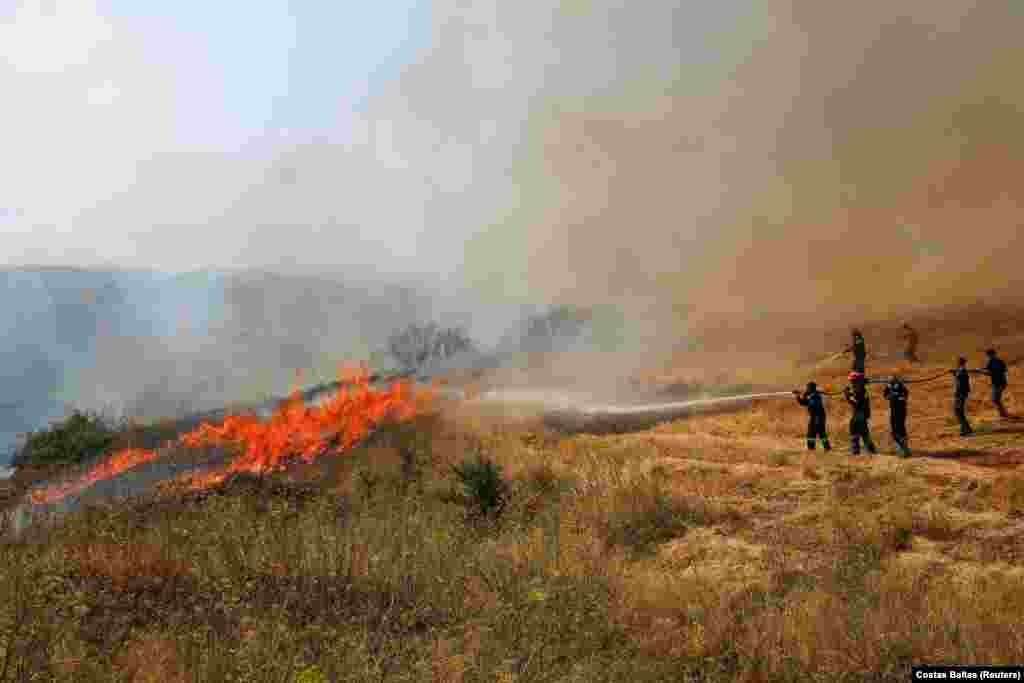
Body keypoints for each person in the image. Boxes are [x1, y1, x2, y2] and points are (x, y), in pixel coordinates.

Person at [843, 371, 877, 455]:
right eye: (851, 381)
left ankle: (868, 450)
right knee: (857, 429)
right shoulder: (859, 388)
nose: (851, 383)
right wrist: (849, 393)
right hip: (859, 412)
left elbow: (855, 401)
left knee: (860, 430)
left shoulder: (860, 389)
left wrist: (847, 395)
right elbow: (855, 396)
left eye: (853, 381)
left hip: (861, 412)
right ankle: (859, 450)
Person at [794, 381, 831, 451]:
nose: (807, 389)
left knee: (821, 432)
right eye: (807, 388)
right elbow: (803, 403)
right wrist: (798, 396)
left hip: (819, 416)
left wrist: (807, 396)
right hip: (813, 416)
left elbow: (814, 404)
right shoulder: (810, 395)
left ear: (812, 388)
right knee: (811, 433)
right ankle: (811, 449)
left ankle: (827, 448)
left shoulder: (816, 396)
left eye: (808, 388)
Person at [882, 376, 911, 457]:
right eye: (890, 382)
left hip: (901, 411)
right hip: (893, 411)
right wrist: (890, 395)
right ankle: (902, 446)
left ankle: (903, 448)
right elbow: (885, 395)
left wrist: (898, 397)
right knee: (894, 431)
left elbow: (905, 396)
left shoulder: (901, 387)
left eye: (893, 382)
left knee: (900, 428)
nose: (891, 384)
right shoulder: (889, 387)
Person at [980, 348, 1011, 418]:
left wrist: (983, 372)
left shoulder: (998, 362)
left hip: (1000, 383)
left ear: (992, 354)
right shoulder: (992, 361)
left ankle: (1004, 414)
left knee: (996, 399)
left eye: (989, 355)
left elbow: (992, 372)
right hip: (996, 383)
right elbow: (988, 370)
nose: (989, 357)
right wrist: (981, 370)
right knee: (996, 399)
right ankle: (1003, 413)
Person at [950, 357, 974, 436]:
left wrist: (955, 373)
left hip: (961, 393)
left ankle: (965, 430)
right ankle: (967, 429)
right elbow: (959, 378)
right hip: (960, 393)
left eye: (958, 362)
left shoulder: (962, 370)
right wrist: (955, 373)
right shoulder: (961, 370)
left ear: (960, 362)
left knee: (958, 411)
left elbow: (961, 379)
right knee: (958, 411)